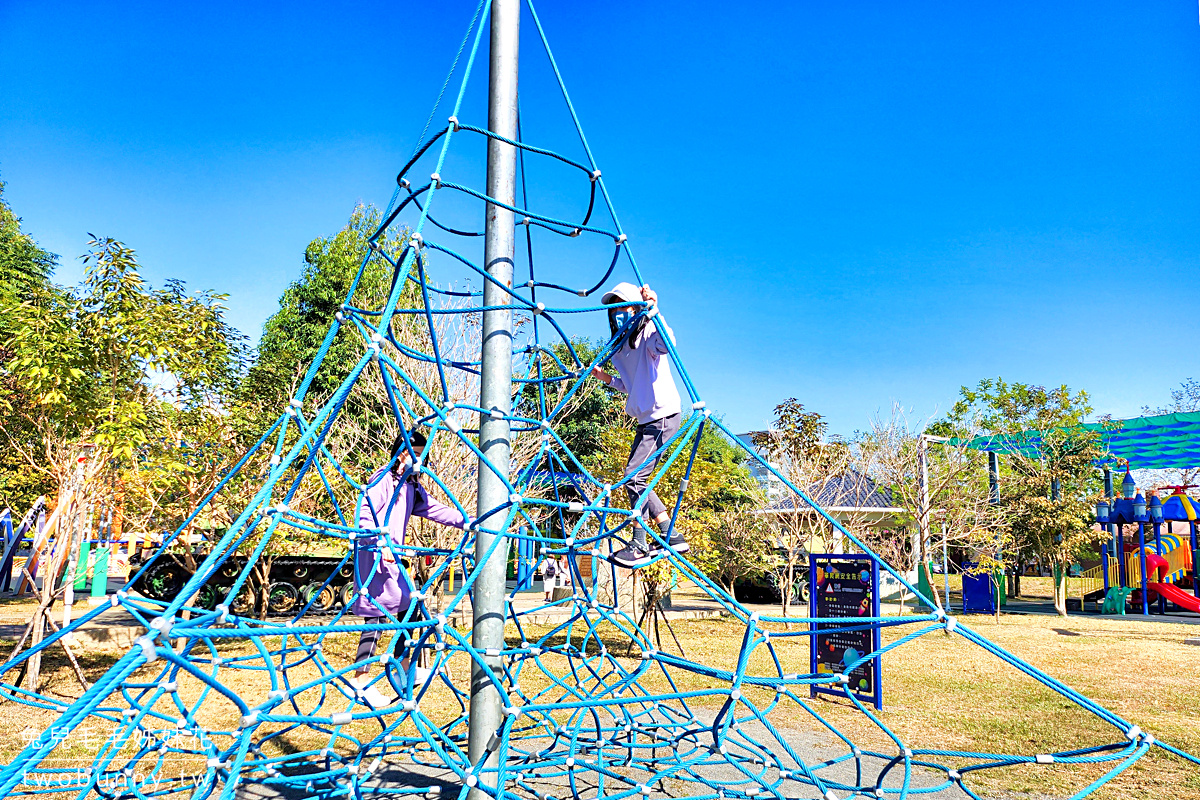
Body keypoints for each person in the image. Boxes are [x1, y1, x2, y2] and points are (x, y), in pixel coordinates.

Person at [349, 428, 466, 708]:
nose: (417, 459)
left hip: (393, 560)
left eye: (422, 454)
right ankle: (360, 681)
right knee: (374, 616)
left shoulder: (411, 485)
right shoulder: (383, 479)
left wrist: (467, 520)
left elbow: (434, 509)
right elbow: (365, 515)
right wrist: (380, 544)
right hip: (375, 556)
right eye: (412, 452)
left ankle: (402, 669)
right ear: (400, 453)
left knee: (408, 607)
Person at [590, 282, 689, 569]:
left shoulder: (648, 334)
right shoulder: (620, 347)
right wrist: (606, 378)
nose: (618, 312)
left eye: (624, 305)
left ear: (636, 308)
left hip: (663, 415)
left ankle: (640, 543)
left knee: (633, 476)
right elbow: (632, 386)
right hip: (647, 419)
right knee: (634, 476)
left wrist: (655, 310)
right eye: (614, 307)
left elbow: (668, 343)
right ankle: (671, 535)